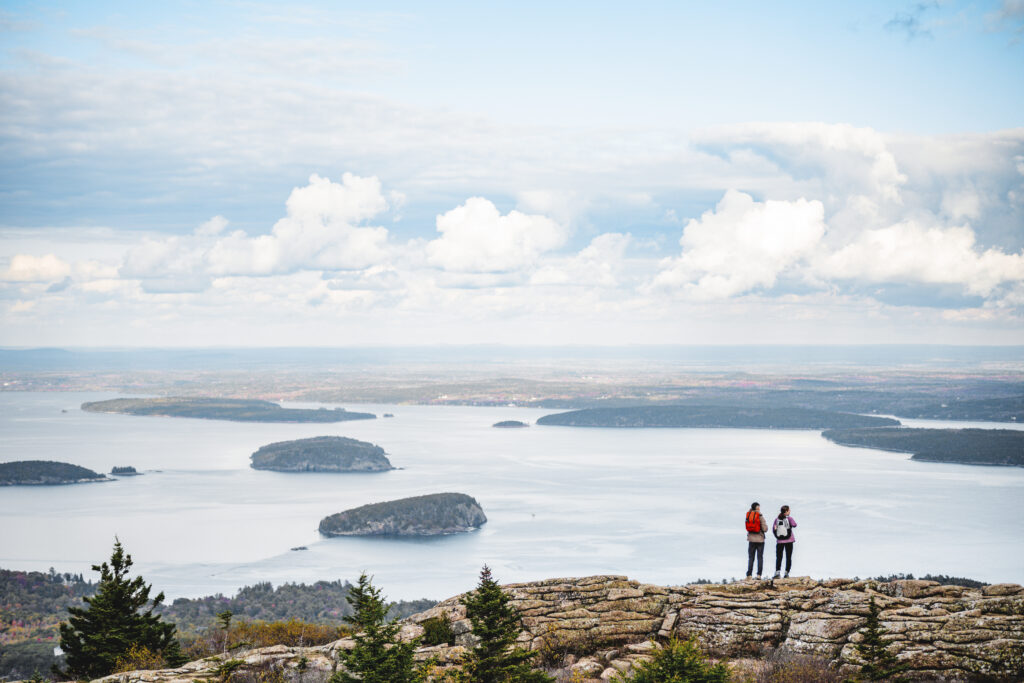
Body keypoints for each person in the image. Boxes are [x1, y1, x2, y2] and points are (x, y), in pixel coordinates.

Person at [745, 502, 768, 580]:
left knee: (751, 557)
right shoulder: (760, 516)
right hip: (760, 540)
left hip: (751, 539)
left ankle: (749, 575)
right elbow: (765, 529)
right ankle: (759, 575)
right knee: (760, 557)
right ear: (757, 507)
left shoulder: (748, 515)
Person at [772, 505, 797, 578]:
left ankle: (777, 572)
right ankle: (786, 573)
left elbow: (773, 529)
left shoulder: (777, 519)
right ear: (786, 511)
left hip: (780, 541)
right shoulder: (789, 518)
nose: (790, 511)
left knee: (779, 557)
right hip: (789, 541)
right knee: (788, 557)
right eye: (789, 510)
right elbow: (794, 525)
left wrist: (778, 537)